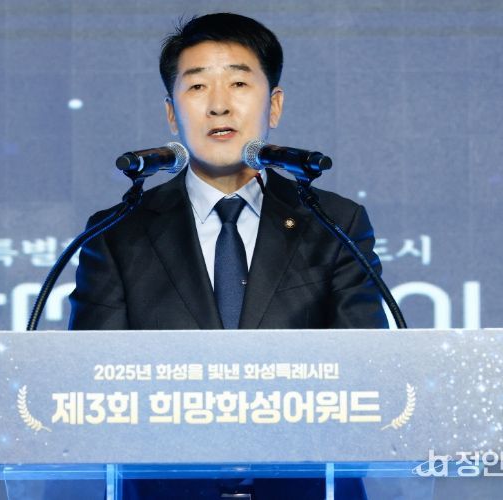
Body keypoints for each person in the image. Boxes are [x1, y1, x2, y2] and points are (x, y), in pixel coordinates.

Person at [68, 12, 387, 500]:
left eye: (239, 83)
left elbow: (364, 374)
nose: (219, 105)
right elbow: (93, 389)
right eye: (197, 87)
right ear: (172, 114)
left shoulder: (333, 224)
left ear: (273, 105)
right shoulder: (117, 233)